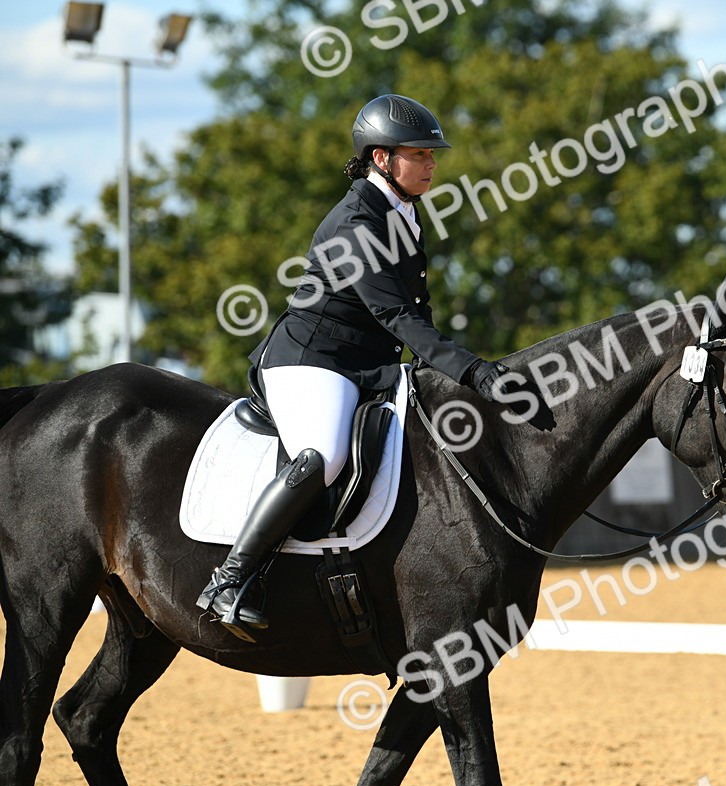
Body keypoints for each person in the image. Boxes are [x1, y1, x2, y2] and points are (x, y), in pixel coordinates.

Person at [196, 94, 507, 640]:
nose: (433, 163)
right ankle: (230, 579)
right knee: (327, 455)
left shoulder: (405, 211)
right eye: (421, 154)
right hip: (313, 360)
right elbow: (393, 315)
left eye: (434, 154)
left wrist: (452, 368)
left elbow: (418, 310)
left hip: (367, 364)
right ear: (381, 158)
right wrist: (470, 370)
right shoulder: (356, 221)